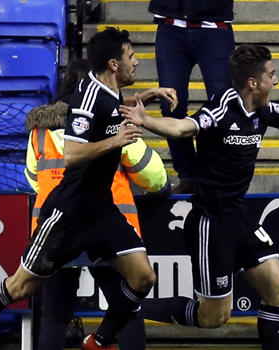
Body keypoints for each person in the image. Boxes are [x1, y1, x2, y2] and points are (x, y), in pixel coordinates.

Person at [120, 44, 279, 350]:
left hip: (239, 218)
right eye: (272, 75)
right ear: (253, 83)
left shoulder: (263, 111)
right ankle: (129, 308)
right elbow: (183, 128)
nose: (277, 81)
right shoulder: (222, 107)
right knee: (213, 317)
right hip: (211, 223)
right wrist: (148, 121)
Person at [0, 27, 164, 350]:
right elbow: (72, 155)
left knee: (144, 277)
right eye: (131, 56)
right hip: (66, 215)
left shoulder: (109, 93)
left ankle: (98, 342)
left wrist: (151, 95)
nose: (137, 62)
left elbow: (111, 110)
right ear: (114, 64)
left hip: (101, 212)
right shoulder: (87, 98)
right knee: (20, 287)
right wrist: (116, 140)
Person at [25, 100, 171, 350]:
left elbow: (33, 180)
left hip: (56, 231)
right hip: (105, 231)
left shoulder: (39, 133)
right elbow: (152, 175)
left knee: (55, 316)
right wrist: (163, 189)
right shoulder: (112, 126)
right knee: (127, 309)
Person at [148, 0, 236, 194]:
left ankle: (217, 177)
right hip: (171, 27)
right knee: (170, 105)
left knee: (223, 107)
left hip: (215, 27)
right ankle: (188, 177)